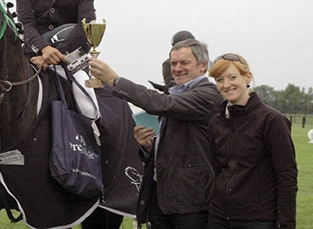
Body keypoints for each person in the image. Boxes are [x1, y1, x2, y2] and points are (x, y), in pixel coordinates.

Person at [89, 39, 223, 229]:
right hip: (164, 200)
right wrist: (148, 146)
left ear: (203, 66)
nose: (177, 68)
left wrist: (114, 80)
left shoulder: (207, 93)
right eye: (173, 63)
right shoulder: (176, 94)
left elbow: (161, 104)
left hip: (192, 203)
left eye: (184, 63)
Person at [16, 0, 99, 120]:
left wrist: (55, 54)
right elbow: (26, 24)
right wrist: (43, 49)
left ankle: (95, 140)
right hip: (33, 56)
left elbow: (86, 23)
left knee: (89, 108)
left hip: (71, 59)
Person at [207, 53, 297, 229]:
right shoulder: (215, 123)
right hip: (218, 218)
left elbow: (286, 175)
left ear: (247, 77)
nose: (226, 85)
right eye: (219, 80)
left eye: (232, 77)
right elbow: (217, 171)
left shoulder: (272, 120)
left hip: (257, 220)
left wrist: (286, 223)